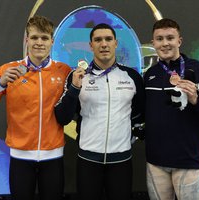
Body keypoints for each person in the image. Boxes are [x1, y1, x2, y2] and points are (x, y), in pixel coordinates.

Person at [0, 15, 81, 200]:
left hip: (53, 157)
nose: (39, 43)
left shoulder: (64, 71)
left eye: (44, 38)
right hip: (20, 158)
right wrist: (0, 83)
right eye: (35, 37)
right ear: (26, 40)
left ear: (52, 42)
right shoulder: (9, 69)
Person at [54, 23, 145, 200]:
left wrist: (127, 132)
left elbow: (141, 111)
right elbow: (63, 117)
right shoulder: (78, 76)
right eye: (98, 40)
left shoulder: (131, 77)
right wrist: (74, 88)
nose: (104, 44)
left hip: (121, 160)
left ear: (116, 43)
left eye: (108, 39)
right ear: (91, 45)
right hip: (88, 160)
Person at [144, 18, 199, 200]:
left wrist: (197, 99)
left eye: (170, 38)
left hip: (188, 160)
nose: (165, 43)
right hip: (156, 161)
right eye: (159, 39)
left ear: (179, 41)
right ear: (153, 43)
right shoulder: (150, 74)